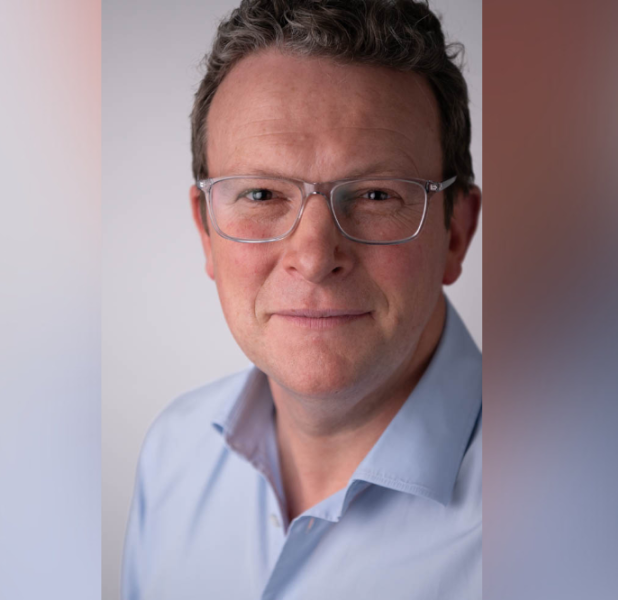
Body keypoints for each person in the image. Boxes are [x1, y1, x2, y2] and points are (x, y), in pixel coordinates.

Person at [122, 0, 481, 598]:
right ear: (206, 231)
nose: (314, 258)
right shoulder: (172, 455)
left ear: (456, 233)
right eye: (262, 194)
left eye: (375, 195)